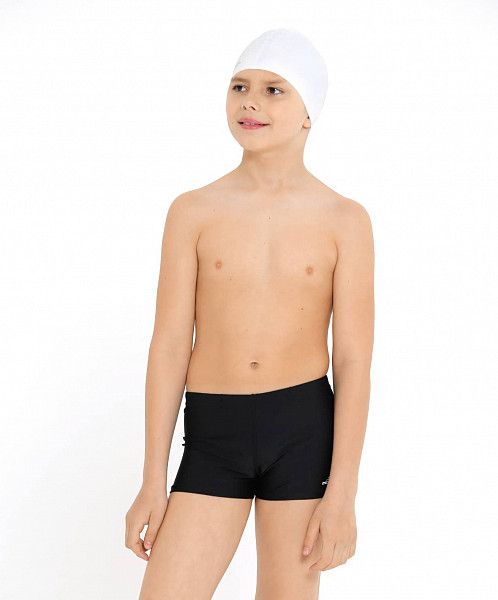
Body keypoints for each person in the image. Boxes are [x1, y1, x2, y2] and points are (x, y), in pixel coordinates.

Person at [126, 28, 374, 600]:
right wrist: (152, 481)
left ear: (309, 112)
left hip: (302, 428)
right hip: (214, 430)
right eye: (239, 87)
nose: (250, 102)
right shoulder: (193, 211)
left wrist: (343, 493)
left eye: (273, 89)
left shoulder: (344, 220)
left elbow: (353, 361)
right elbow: (169, 346)